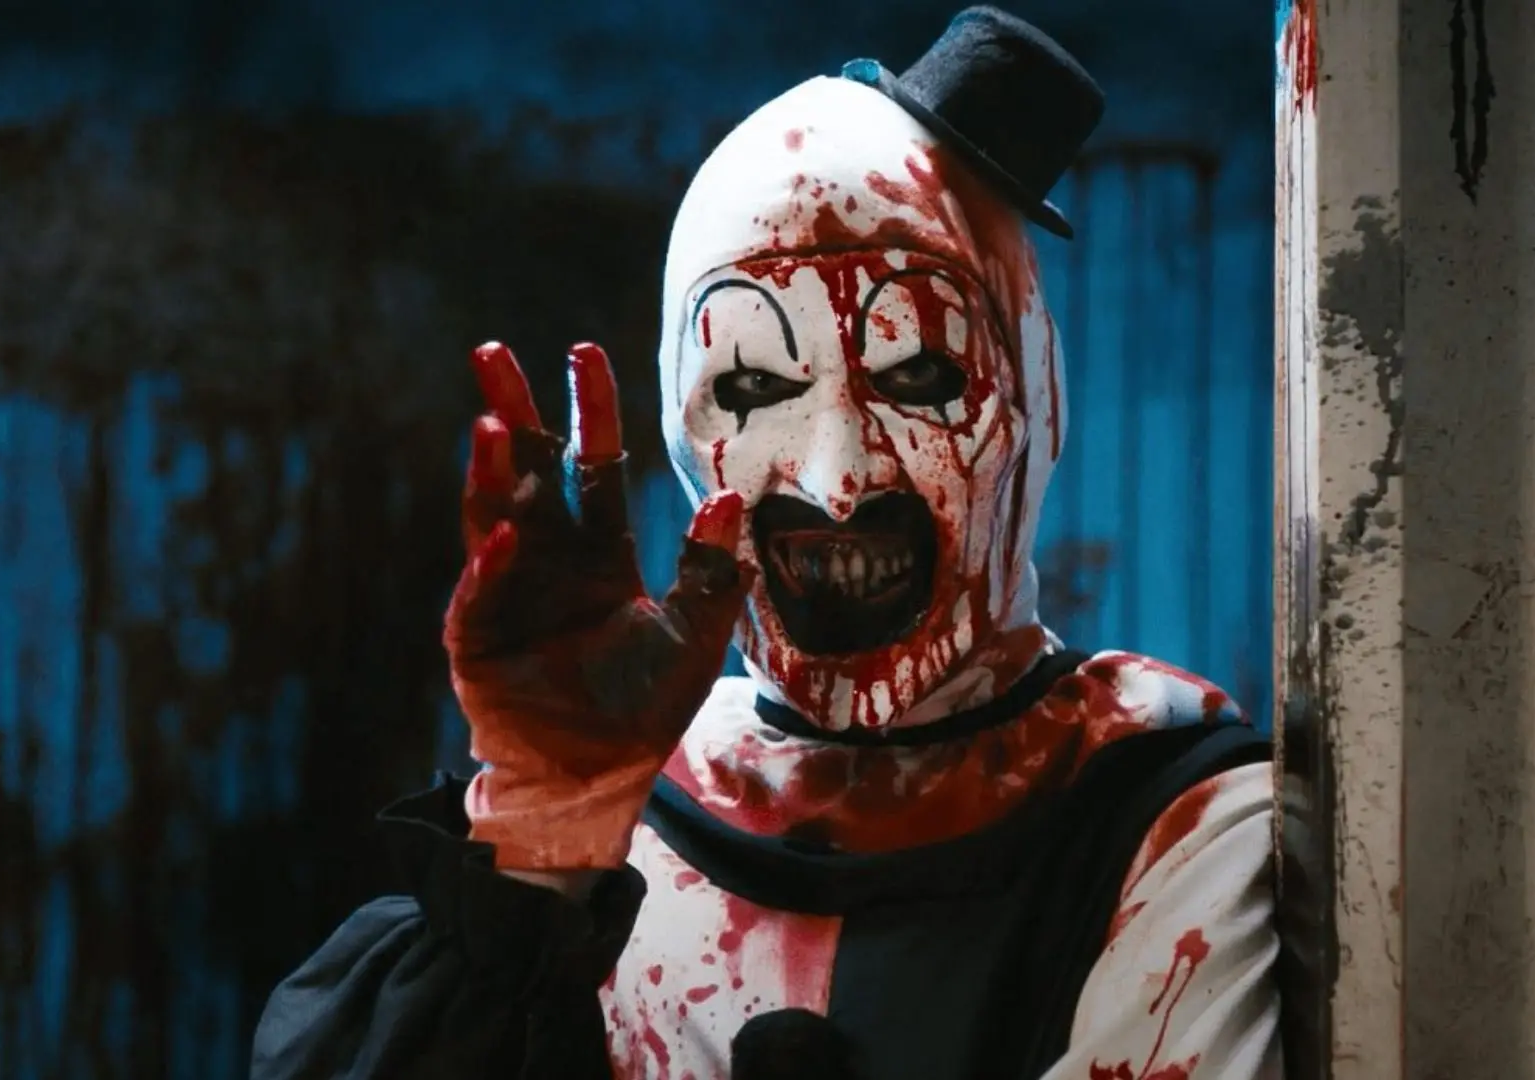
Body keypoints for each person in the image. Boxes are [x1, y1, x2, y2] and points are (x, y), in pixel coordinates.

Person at [250, 8, 1281, 1079]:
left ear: (1036, 399)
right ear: (680, 427)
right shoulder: (621, 838)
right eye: (752, 387)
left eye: (918, 376)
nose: (837, 484)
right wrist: (541, 841)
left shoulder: (1177, 836)